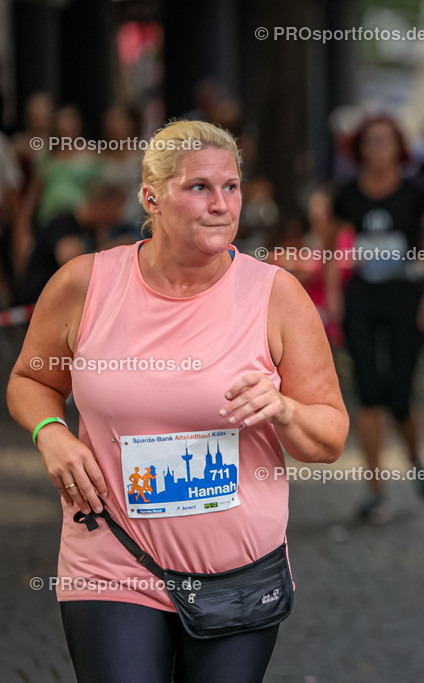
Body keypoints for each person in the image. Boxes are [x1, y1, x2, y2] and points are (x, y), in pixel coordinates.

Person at [7, 119, 349, 682]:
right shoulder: (85, 284)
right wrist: (52, 434)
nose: (220, 204)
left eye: (231, 187)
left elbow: (330, 438)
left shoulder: (275, 295)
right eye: (199, 187)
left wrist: (283, 409)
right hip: (112, 560)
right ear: (151, 197)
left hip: (238, 571)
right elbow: (30, 379)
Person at [331, 115, 424, 522]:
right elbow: (332, 249)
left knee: (401, 393)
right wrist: (336, 297)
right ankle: (374, 489)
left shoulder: (417, 192)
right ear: (359, 149)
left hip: (407, 298)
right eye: (370, 142)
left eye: (386, 142)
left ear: (399, 149)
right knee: (369, 389)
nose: (378, 151)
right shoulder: (346, 194)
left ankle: (414, 457)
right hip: (363, 300)